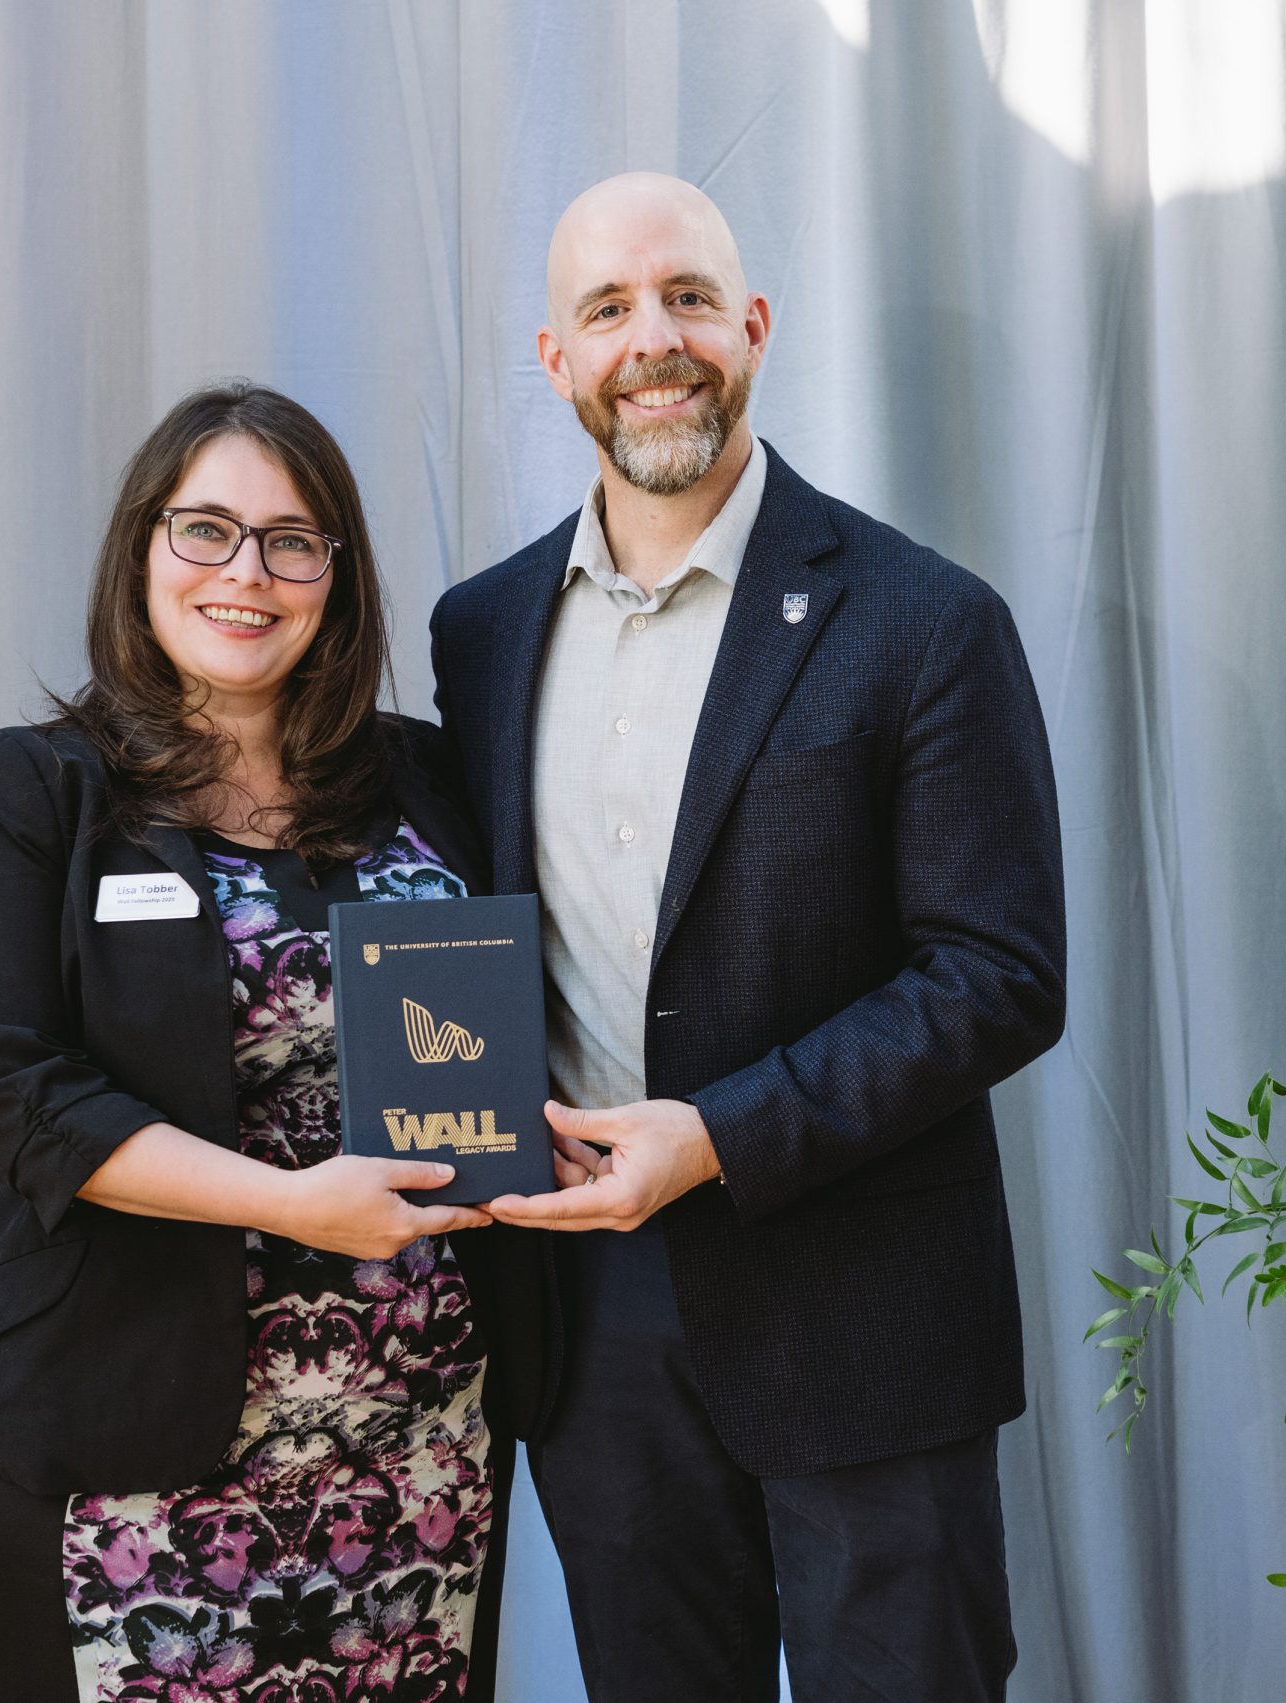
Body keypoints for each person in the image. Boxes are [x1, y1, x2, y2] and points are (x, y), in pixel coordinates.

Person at [428, 173, 1066, 1701]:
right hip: (591, 1315)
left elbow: (1001, 973)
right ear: (556, 359)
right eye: (608, 309)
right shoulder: (482, 629)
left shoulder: (924, 618)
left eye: (689, 299)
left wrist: (717, 1135)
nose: (655, 339)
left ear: (756, 328)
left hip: (865, 1308)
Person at [0, 383, 544, 1703]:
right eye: (205, 529)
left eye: (292, 540)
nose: (246, 573)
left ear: (337, 577)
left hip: (418, 1446)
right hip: (126, 1449)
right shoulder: (28, 791)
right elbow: (10, 1096)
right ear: (142, 547)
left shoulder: (433, 781)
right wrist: (297, 1206)